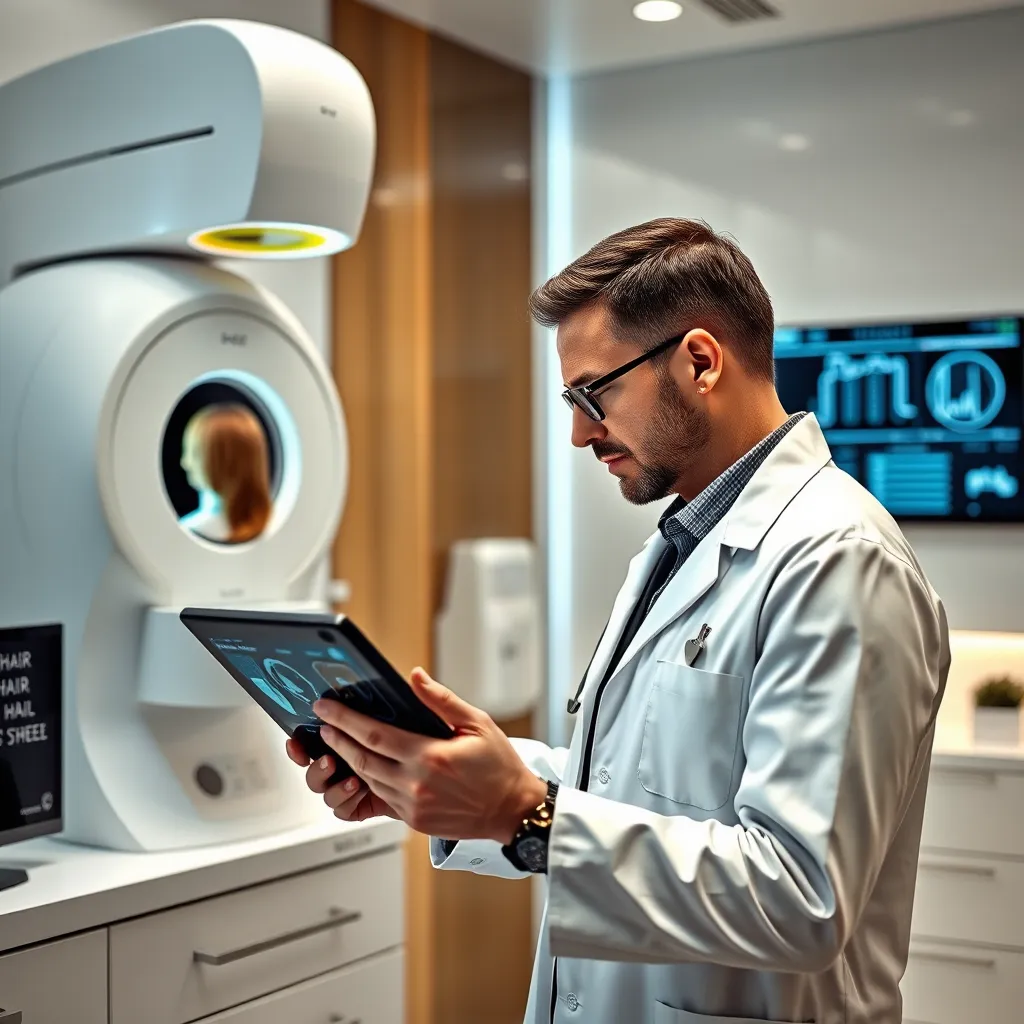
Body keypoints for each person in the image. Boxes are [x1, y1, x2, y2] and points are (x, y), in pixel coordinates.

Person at [287, 218, 949, 1024]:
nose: (577, 431)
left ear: (701, 361)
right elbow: (637, 791)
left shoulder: (840, 560)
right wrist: (452, 780)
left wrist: (527, 813)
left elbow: (801, 897)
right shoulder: (681, 543)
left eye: (592, 392)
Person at [179, 403, 272, 544]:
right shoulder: (277, 524)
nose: (185, 463)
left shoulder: (193, 532)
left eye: (195, 454)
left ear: (225, 464)